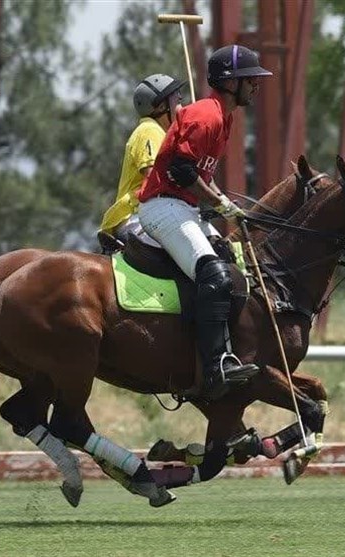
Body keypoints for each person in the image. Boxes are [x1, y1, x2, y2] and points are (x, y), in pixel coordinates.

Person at [137, 45, 273, 401]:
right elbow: (181, 172)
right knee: (214, 274)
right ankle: (214, 367)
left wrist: (225, 203)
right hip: (162, 206)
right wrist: (220, 201)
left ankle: (231, 352)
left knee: (232, 264)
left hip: (184, 208)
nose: (256, 86)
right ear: (230, 83)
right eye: (251, 80)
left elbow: (198, 174)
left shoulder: (223, 118)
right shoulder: (205, 116)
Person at [98, 73, 186, 252]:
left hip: (150, 215)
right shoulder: (150, 130)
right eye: (177, 100)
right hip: (136, 217)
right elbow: (155, 179)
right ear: (161, 106)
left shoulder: (160, 134)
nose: (182, 106)